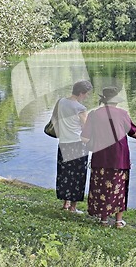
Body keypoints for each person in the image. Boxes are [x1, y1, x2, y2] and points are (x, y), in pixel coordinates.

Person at [81, 86, 136, 228]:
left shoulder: (94, 114)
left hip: (100, 156)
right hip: (119, 156)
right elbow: (134, 132)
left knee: (101, 186)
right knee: (119, 186)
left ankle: (104, 220)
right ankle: (118, 221)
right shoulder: (122, 114)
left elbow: (85, 137)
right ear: (116, 100)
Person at [55, 80, 93, 213]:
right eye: (86, 94)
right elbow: (87, 128)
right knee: (78, 175)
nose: (87, 96)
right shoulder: (80, 108)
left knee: (65, 173)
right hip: (78, 144)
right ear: (81, 93)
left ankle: (65, 203)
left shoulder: (61, 102)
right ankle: (73, 207)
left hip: (63, 143)